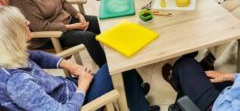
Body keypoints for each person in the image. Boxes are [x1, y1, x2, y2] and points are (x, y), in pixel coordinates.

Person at [0, 6, 160, 111]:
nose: (27, 21)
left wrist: (70, 66)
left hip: (69, 89)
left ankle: (138, 98)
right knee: (119, 66)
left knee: (120, 65)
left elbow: (38, 56)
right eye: (21, 22)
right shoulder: (18, 83)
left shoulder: (9, 57)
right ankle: (139, 103)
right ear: (11, 36)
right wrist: (82, 86)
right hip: (78, 102)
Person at [9, 0, 106, 67]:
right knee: (88, 37)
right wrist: (73, 27)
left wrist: (77, 14)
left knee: (101, 23)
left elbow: (62, 1)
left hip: (67, 22)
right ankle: (107, 70)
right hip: (50, 36)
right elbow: (41, 27)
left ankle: (114, 57)